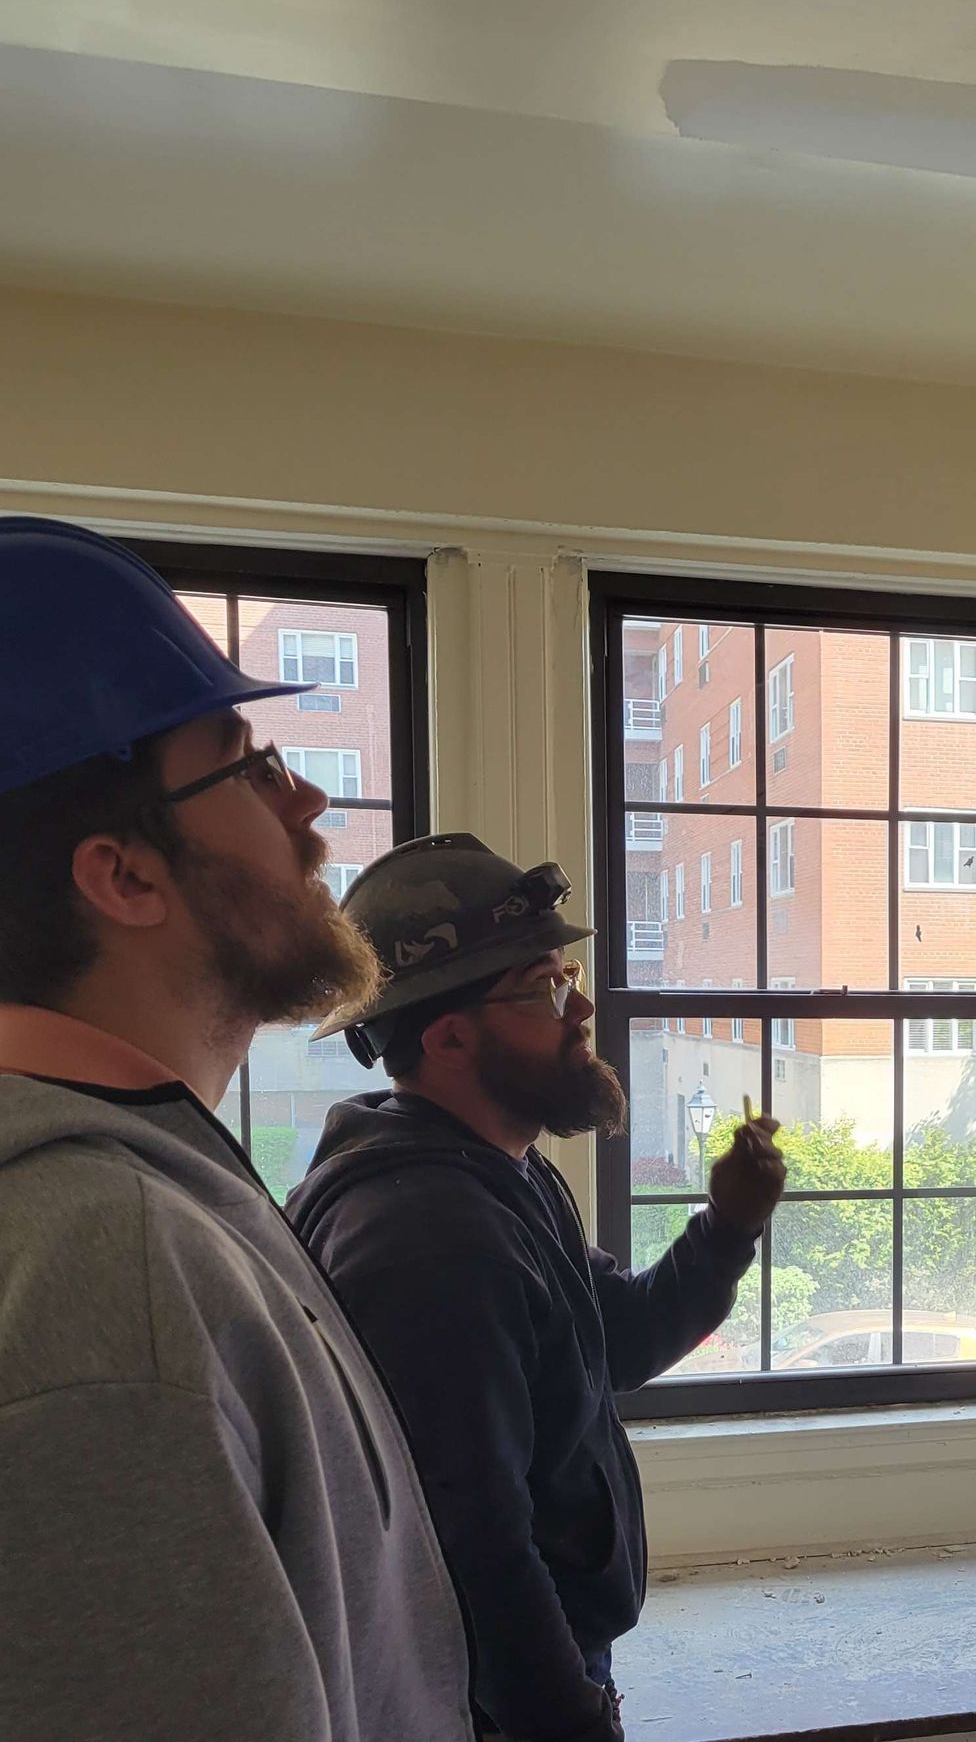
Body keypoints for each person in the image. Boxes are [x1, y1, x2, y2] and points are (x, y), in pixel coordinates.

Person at [0, 516, 474, 1742]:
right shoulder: (106, 1259)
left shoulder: (144, 1191)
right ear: (125, 877)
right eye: (249, 768)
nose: (308, 799)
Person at [287, 833, 786, 1742]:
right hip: (492, 1707)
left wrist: (727, 1229)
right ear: (448, 1036)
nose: (581, 1007)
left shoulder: (496, 1175)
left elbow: (616, 1343)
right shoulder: (430, 1240)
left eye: (568, 975)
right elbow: (474, 1551)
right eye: (545, 988)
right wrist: (574, 1723)